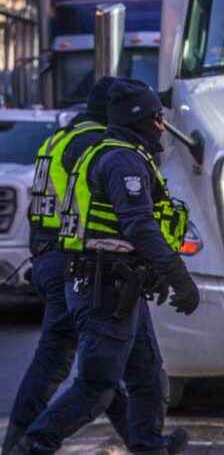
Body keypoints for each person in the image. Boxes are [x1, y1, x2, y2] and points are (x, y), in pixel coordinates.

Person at [11, 78, 199, 455]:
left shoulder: (95, 147)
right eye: (156, 117)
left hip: (112, 275)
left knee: (145, 374)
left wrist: (154, 267)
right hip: (102, 278)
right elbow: (135, 223)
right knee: (93, 381)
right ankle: (30, 445)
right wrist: (177, 275)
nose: (162, 126)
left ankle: (147, 445)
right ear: (138, 118)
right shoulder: (115, 156)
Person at [3, 77, 132, 455]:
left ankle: (146, 442)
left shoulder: (56, 141)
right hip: (73, 259)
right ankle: (24, 443)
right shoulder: (91, 145)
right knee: (85, 364)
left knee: (101, 363)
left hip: (47, 255)